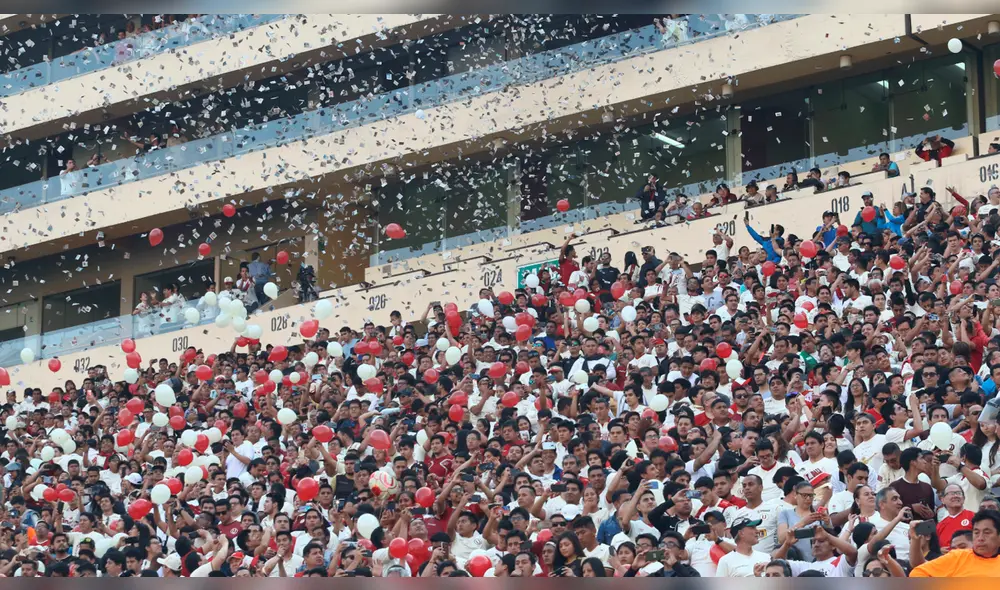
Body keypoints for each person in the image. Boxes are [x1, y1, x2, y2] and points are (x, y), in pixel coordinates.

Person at [910, 510, 1000, 576]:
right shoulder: (957, 557)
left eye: (987, 532)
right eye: (976, 532)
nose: (980, 538)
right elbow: (918, 573)